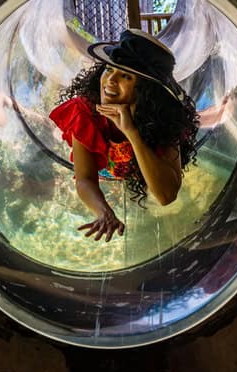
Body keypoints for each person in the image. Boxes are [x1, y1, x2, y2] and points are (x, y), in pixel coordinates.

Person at [50, 29, 200, 243]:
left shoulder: (165, 121)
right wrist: (103, 212)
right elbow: (84, 178)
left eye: (126, 76)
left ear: (146, 90)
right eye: (109, 69)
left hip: (147, 172)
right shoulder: (85, 112)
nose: (110, 80)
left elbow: (166, 196)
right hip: (108, 175)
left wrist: (132, 132)